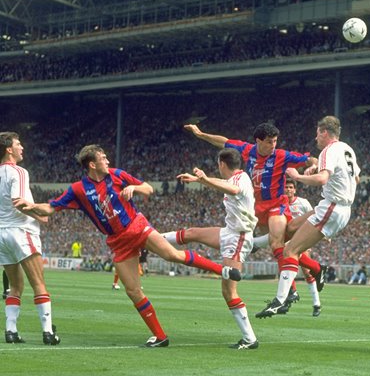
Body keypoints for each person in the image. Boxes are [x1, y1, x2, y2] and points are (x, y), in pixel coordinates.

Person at [13, 144, 241, 348]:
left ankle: (222, 270)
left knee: (171, 254)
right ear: (92, 164)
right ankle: (160, 336)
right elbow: (50, 208)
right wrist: (29, 206)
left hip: (136, 226)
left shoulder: (118, 175)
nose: (108, 161)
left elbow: (149, 188)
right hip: (117, 242)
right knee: (133, 290)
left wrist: (136, 189)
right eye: (103, 158)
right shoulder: (78, 190)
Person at [183, 122, 323, 304]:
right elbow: (224, 142)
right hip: (256, 208)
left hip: (276, 205)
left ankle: (290, 291)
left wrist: (315, 165)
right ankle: (316, 269)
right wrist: (201, 134)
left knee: (276, 243)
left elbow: (310, 159)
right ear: (258, 141)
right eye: (270, 142)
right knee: (279, 246)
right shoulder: (247, 150)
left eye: (275, 141)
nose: (273, 145)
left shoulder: (281, 155)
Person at [256, 115, 360, 318]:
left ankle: (280, 300)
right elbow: (356, 177)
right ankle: (316, 268)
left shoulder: (328, 150)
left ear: (324, 132)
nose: (316, 139)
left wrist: (298, 176)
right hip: (339, 207)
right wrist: (320, 169)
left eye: (317, 134)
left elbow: (322, 179)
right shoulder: (347, 149)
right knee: (290, 229)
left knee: (289, 250)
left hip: (332, 206)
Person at [163, 148, 259, 349]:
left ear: (221, 164)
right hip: (230, 232)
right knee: (192, 233)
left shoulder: (241, 180)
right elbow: (226, 185)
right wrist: (200, 180)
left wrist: (204, 179)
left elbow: (233, 190)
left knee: (228, 291)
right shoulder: (237, 177)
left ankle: (250, 339)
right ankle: (151, 237)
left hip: (239, 237)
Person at [0, 131, 60, 345]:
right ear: (9, 149)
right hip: (21, 230)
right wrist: (38, 216)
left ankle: (11, 331)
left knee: (15, 286)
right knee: (39, 283)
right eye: (18, 144)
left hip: (1, 234)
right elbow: (18, 201)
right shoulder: (18, 171)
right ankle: (47, 332)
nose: (22, 147)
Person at [283, 179, 322, 316]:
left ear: (295, 190)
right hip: (286, 242)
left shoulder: (303, 203)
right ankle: (288, 299)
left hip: (302, 239)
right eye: (286, 187)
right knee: (286, 270)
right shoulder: (280, 204)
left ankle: (316, 304)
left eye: (291, 187)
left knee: (306, 272)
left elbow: (316, 216)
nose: (288, 189)